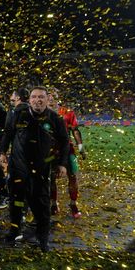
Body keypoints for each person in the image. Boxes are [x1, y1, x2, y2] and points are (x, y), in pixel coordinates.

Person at [0, 86, 68, 251]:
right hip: (18, 167)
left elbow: (64, 142)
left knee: (42, 205)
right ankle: (14, 231)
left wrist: (62, 164)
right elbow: (8, 133)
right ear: (29, 100)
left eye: (41, 97)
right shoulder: (19, 114)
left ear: (47, 99)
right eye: (34, 97)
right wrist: (2, 152)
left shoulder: (55, 119)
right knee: (16, 202)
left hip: (41, 170)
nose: (37, 100)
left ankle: (42, 238)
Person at [48, 89, 84, 219]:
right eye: (49, 96)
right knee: (51, 178)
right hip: (49, 150)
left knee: (73, 176)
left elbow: (75, 130)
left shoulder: (67, 113)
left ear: (59, 97)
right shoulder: (41, 113)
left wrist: (81, 147)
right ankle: (54, 203)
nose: (51, 98)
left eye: (54, 96)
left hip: (67, 149)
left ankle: (73, 203)